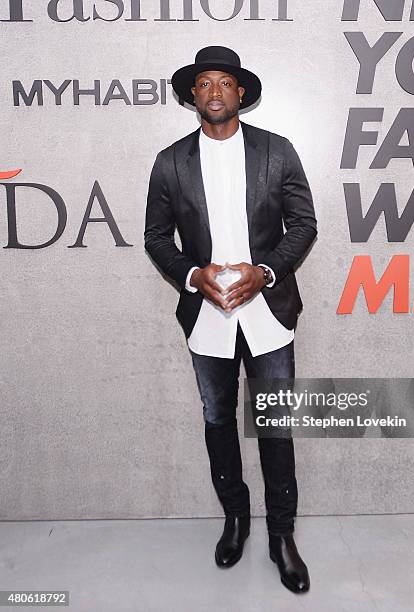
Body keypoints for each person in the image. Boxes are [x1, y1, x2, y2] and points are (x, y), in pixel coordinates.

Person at [144, 45, 317, 594]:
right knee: (218, 419)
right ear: (192, 95)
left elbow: (303, 225)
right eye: (203, 84)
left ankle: (282, 535)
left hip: (268, 313)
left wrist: (265, 272)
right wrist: (193, 276)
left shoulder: (277, 151)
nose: (214, 92)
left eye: (224, 82)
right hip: (207, 316)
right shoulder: (171, 161)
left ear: (241, 92)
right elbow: (155, 238)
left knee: (275, 425)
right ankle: (236, 520)